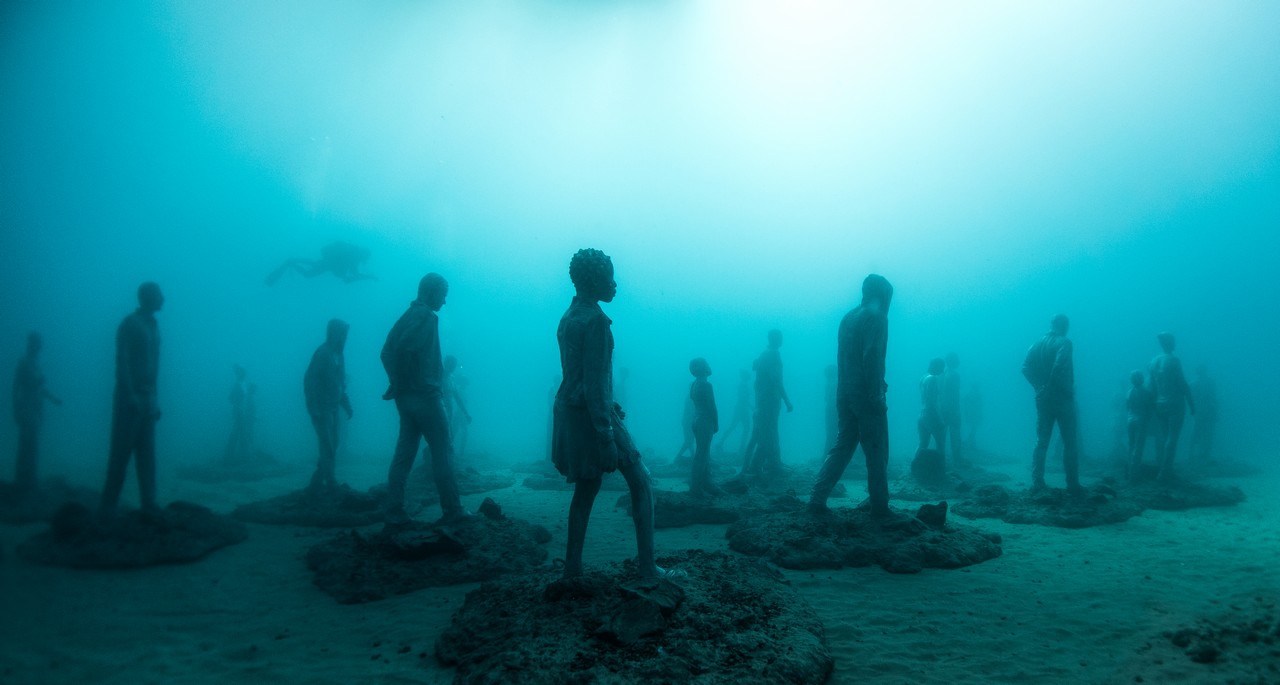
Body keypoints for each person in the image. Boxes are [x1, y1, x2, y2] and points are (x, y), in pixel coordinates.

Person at [552, 248, 678, 580]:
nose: (615, 284)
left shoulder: (569, 317)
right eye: (610, 277)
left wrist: (609, 401)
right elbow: (593, 383)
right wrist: (606, 433)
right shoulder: (594, 321)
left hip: (573, 409)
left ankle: (572, 571)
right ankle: (648, 568)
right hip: (593, 415)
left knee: (586, 488)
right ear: (595, 280)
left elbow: (580, 375)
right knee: (641, 480)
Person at [382, 273, 467, 524]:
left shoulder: (407, 316)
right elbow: (403, 349)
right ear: (431, 292)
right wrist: (406, 383)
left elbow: (386, 352)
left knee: (404, 455)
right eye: (443, 295)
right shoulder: (426, 317)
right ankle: (453, 510)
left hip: (407, 399)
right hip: (426, 397)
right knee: (443, 451)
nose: (444, 302)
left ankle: (394, 511)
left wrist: (397, 384)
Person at [808, 274, 894, 518]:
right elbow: (872, 355)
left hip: (844, 391)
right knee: (877, 448)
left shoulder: (847, 317)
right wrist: (876, 393)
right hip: (866, 393)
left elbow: (847, 357)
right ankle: (879, 506)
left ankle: (817, 498)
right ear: (883, 293)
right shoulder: (877, 317)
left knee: (843, 445)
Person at [100, 282, 164, 513]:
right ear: (148, 298)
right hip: (131, 399)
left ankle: (149, 503)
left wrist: (155, 399)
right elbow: (122, 361)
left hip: (147, 397)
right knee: (120, 455)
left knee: (147, 455)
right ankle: (107, 508)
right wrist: (130, 394)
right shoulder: (130, 324)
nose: (163, 298)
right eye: (159, 295)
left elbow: (155, 365)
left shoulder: (154, 327)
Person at [1020, 314, 1083, 495]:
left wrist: (1039, 387)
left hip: (1042, 398)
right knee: (1069, 441)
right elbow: (1059, 366)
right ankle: (1072, 484)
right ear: (1065, 325)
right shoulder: (1064, 342)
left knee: (1041, 441)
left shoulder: (1036, 344)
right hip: (1062, 397)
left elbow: (1024, 368)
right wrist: (1054, 388)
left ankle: (1037, 481)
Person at [305, 320, 353, 495]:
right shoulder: (322, 353)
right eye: (342, 333)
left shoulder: (339, 355)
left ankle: (316, 481)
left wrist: (346, 405)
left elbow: (340, 385)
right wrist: (313, 407)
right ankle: (331, 483)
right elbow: (309, 381)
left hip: (333, 407)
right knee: (328, 445)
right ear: (333, 333)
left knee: (333, 443)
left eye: (346, 334)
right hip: (321, 408)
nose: (345, 337)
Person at [12, 332, 62, 495]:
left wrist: (53, 399)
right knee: (26, 445)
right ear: (32, 344)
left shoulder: (34, 363)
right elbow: (15, 388)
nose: (40, 346)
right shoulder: (24, 362)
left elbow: (40, 388)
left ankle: (29, 481)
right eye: (38, 343)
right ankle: (22, 482)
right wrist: (16, 410)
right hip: (27, 408)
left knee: (32, 445)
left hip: (36, 409)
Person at [745, 329, 793, 478]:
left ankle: (773, 462)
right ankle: (762, 465)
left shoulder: (764, 354)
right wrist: (787, 400)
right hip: (770, 399)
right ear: (775, 339)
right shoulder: (773, 354)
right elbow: (776, 379)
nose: (781, 339)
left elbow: (757, 372)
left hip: (763, 399)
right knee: (769, 432)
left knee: (769, 431)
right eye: (780, 337)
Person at [1148, 332, 1196, 482]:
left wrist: (1152, 404)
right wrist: (1191, 402)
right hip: (1175, 402)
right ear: (1169, 343)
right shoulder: (1174, 360)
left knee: (1164, 436)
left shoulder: (1153, 361)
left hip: (1160, 403)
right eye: (1173, 341)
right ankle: (1165, 471)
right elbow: (1182, 383)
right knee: (1172, 437)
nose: (1175, 343)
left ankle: (1162, 466)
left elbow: (1152, 386)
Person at [265, 240, 376, 285]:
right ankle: (292, 262)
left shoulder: (353, 255)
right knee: (310, 272)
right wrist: (370, 276)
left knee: (312, 266)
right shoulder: (354, 257)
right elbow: (354, 274)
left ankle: (292, 261)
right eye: (366, 257)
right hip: (329, 264)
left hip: (328, 263)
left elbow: (352, 274)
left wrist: (368, 277)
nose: (366, 260)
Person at [688, 357, 723, 497]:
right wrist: (716, 423)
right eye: (707, 364)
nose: (709, 366)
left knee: (703, 453)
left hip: (696, 421)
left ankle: (707, 482)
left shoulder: (694, 384)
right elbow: (712, 406)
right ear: (703, 368)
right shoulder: (706, 385)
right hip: (705, 421)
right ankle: (696, 487)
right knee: (702, 455)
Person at [716, 369, 753, 456]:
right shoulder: (743, 385)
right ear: (745, 376)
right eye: (747, 376)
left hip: (740, 409)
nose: (748, 377)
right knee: (745, 428)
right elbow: (743, 399)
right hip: (742, 409)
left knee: (733, 427)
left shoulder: (742, 385)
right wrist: (752, 407)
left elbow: (743, 398)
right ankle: (741, 448)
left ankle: (720, 443)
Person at [1125, 370, 1153, 480]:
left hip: (1130, 419)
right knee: (1139, 446)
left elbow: (1127, 407)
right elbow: (1150, 408)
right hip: (1141, 419)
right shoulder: (1147, 392)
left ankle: (1130, 471)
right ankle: (1135, 472)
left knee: (1131, 445)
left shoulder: (1129, 391)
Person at [442, 355, 472, 458]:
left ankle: (449, 455)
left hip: (451, 414)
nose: (453, 368)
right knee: (450, 432)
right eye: (452, 365)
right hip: (441, 412)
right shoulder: (439, 377)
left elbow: (458, 400)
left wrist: (466, 413)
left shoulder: (452, 380)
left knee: (452, 432)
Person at [1189, 364, 1218, 464]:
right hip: (1207, 409)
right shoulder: (1210, 382)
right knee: (1207, 432)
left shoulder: (1193, 383)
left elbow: (1192, 399)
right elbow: (1213, 398)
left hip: (1200, 410)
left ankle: (1193, 454)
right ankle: (1203, 455)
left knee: (1197, 431)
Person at [223, 364, 252, 465]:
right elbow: (230, 398)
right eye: (240, 373)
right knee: (239, 432)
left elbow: (241, 398)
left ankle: (231, 455)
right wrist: (238, 406)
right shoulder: (238, 384)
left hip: (241, 411)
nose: (242, 375)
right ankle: (242, 456)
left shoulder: (242, 384)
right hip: (239, 412)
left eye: (242, 373)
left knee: (239, 432)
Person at [917, 358, 946, 455]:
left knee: (923, 443)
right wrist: (940, 419)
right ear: (936, 367)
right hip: (931, 415)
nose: (942, 370)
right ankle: (940, 467)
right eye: (941, 367)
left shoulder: (923, 377)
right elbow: (931, 402)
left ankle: (915, 466)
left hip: (922, 414)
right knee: (940, 443)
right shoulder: (933, 379)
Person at [940, 352, 963, 466]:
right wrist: (957, 410)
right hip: (952, 409)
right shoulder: (955, 375)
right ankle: (957, 458)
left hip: (942, 408)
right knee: (955, 433)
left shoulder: (943, 374)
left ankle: (941, 458)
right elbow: (955, 394)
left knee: (942, 434)